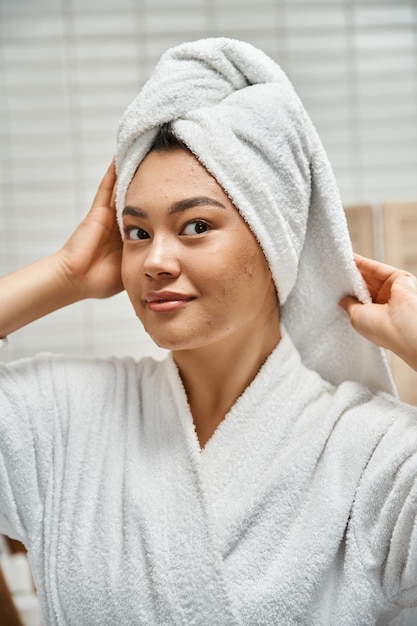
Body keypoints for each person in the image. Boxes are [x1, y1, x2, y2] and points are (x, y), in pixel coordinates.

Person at [0, 38, 417, 626]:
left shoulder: (377, 455)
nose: (154, 260)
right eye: (137, 232)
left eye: (195, 225)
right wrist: (62, 275)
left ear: (277, 242)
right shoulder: (61, 415)